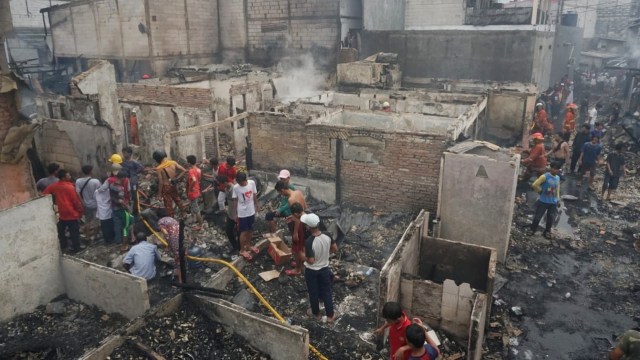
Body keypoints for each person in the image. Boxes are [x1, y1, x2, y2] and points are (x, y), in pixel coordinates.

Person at [302, 213, 337, 322]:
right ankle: (330, 316)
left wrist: (302, 256)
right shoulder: (327, 235)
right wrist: (326, 253)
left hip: (312, 271)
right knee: (326, 291)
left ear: (308, 227)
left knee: (313, 293)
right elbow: (335, 249)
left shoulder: (309, 242)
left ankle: (316, 315)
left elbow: (311, 261)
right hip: (324, 269)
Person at [42, 169, 84, 253]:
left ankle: (63, 246)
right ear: (64, 177)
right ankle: (77, 248)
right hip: (71, 212)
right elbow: (75, 201)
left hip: (60, 212)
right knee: (74, 232)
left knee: (61, 232)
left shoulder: (54, 186)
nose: (70, 176)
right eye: (68, 175)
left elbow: (44, 194)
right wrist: (80, 211)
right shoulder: (70, 187)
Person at [529, 162, 562, 239]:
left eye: (557, 169)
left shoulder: (558, 178)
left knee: (550, 217)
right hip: (543, 201)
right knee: (538, 216)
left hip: (553, 202)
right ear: (551, 168)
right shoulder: (545, 176)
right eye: (554, 168)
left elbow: (557, 189)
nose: (556, 170)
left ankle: (547, 231)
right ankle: (532, 230)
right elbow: (535, 184)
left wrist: (558, 199)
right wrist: (540, 191)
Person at [232, 172, 260, 261]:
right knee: (243, 232)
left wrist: (257, 205)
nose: (241, 184)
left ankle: (248, 245)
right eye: (239, 183)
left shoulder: (251, 183)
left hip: (251, 211)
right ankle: (242, 250)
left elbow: (254, 195)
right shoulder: (236, 187)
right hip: (242, 213)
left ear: (246, 179)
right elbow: (235, 201)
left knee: (250, 229)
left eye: (242, 183)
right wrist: (235, 214)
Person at [153, 150, 185, 217]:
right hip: (173, 185)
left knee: (168, 205)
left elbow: (161, 182)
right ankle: (183, 214)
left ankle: (171, 219)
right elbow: (184, 170)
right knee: (177, 199)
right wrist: (177, 178)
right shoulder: (173, 162)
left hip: (165, 187)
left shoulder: (159, 168)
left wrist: (159, 194)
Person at [156, 210, 185, 283]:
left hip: (174, 239)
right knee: (182, 255)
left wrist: (169, 244)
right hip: (182, 236)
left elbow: (166, 233)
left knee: (178, 258)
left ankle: (181, 280)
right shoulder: (171, 219)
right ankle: (184, 271)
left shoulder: (160, 222)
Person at [75, 165, 101, 241]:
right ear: (90, 171)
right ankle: (95, 237)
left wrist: (82, 202)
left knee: (87, 221)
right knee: (96, 221)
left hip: (86, 205)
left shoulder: (78, 181)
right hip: (96, 204)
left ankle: (87, 237)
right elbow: (100, 191)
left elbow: (77, 193)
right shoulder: (96, 181)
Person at [266, 169, 296, 234]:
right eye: (281, 179)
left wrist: (280, 209)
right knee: (269, 215)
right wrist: (279, 209)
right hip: (283, 210)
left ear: (288, 178)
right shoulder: (280, 187)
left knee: (292, 230)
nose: (282, 181)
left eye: (284, 179)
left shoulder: (291, 188)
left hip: (290, 212)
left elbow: (290, 202)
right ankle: (275, 234)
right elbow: (283, 201)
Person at [121, 147, 144, 214]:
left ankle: (135, 210)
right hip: (125, 181)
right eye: (123, 153)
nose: (123, 154)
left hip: (132, 182)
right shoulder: (122, 162)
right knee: (126, 195)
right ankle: (127, 209)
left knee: (134, 195)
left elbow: (141, 168)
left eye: (125, 153)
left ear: (130, 153)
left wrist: (134, 173)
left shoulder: (134, 162)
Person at [287, 202, 308, 276]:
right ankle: (299, 264)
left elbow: (297, 223)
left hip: (302, 237)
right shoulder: (304, 214)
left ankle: (297, 269)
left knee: (298, 251)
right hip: (305, 238)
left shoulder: (301, 220)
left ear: (296, 214)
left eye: (293, 215)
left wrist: (295, 233)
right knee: (299, 250)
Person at [221, 176, 240, 254]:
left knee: (239, 232)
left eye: (221, 184)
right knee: (228, 231)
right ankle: (235, 246)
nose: (221, 186)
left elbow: (238, 202)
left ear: (225, 182)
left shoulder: (234, 188)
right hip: (230, 214)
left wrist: (237, 215)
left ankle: (240, 248)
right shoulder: (226, 189)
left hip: (237, 214)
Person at [94, 177, 115, 244]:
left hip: (101, 212)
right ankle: (112, 238)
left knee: (104, 227)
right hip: (109, 210)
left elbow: (95, 199)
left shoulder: (97, 192)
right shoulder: (110, 191)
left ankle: (107, 240)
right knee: (110, 225)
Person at [186, 155, 203, 230]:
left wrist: (190, 188)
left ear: (189, 163)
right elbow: (198, 179)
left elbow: (194, 180)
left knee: (196, 209)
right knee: (195, 206)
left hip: (193, 192)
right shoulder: (199, 170)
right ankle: (195, 220)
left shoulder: (191, 171)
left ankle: (200, 225)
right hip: (197, 190)